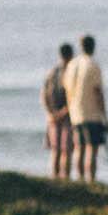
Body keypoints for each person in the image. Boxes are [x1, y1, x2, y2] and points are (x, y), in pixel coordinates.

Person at [61, 34, 108, 183]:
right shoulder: (93, 65)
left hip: (75, 113)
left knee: (79, 149)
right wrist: (104, 116)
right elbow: (97, 92)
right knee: (91, 150)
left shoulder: (71, 65)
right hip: (91, 113)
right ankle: (91, 181)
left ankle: (80, 180)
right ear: (93, 47)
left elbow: (66, 89)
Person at [39, 42, 75, 178]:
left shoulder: (52, 72)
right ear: (71, 55)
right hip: (67, 116)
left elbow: (43, 95)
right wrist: (62, 113)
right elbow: (73, 97)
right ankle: (65, 179)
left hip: (52, 116)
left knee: (55, 151)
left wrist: (49, 113)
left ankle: (54, 178)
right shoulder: (71, 73)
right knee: (66, 151)